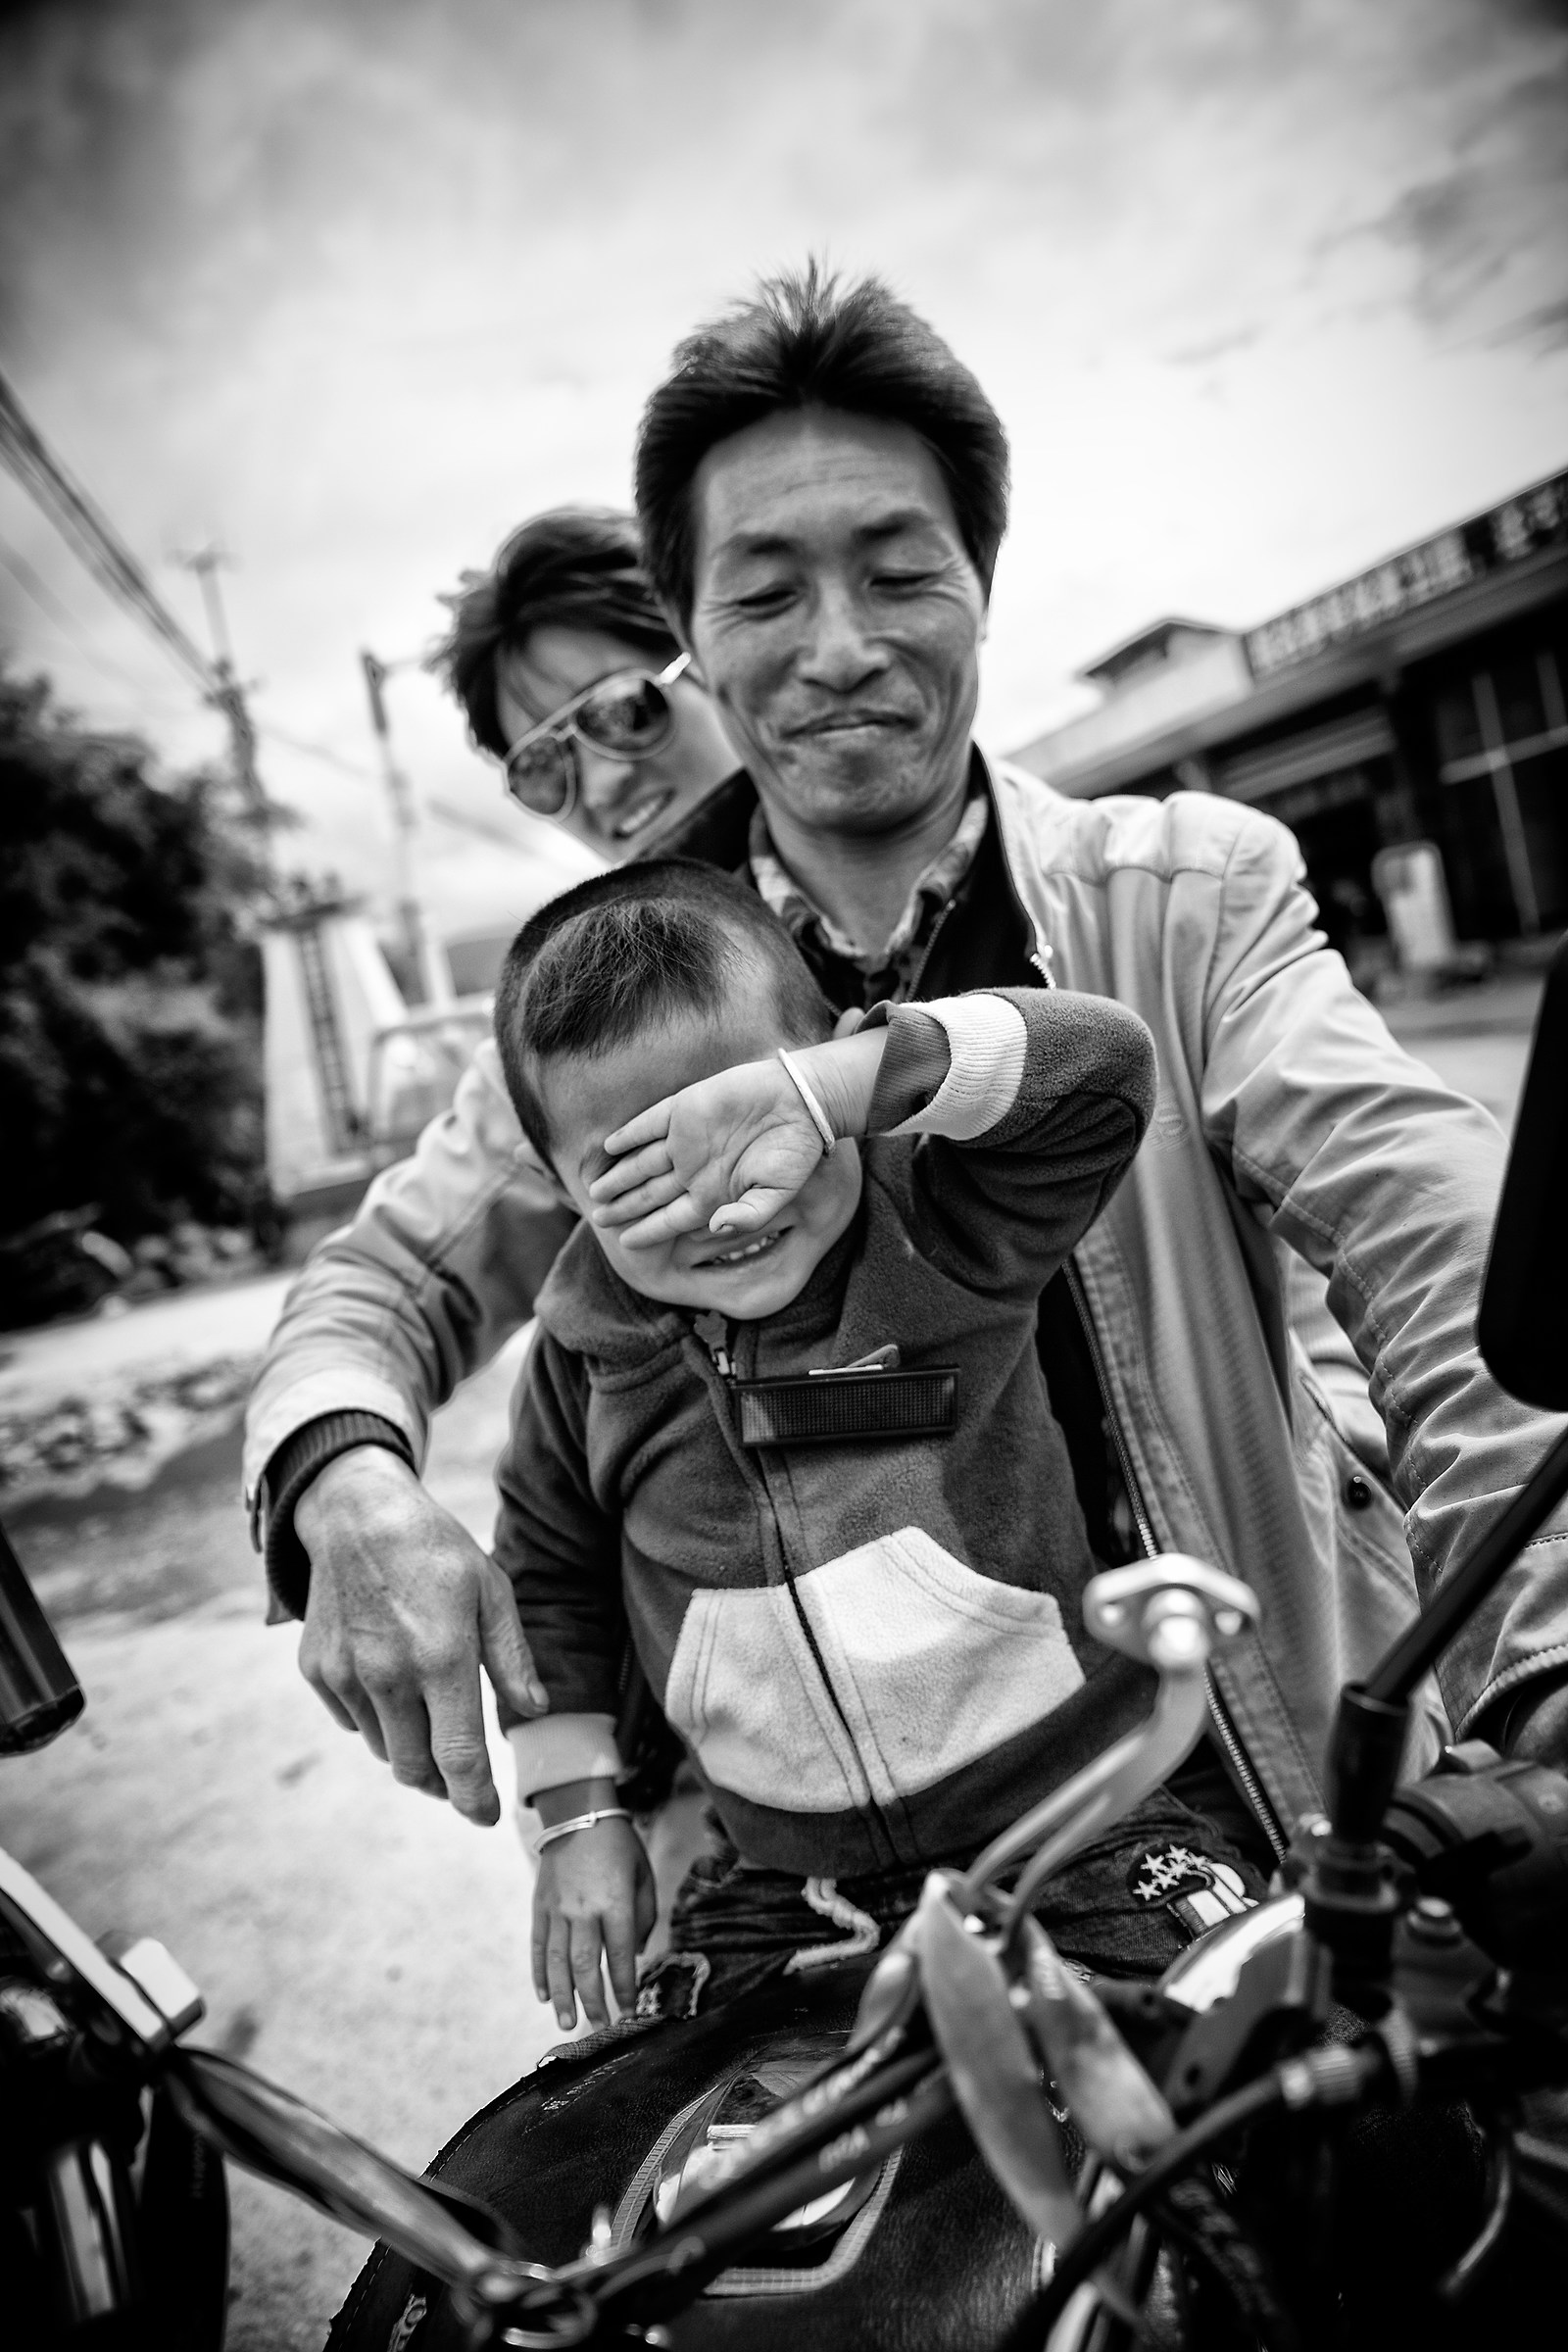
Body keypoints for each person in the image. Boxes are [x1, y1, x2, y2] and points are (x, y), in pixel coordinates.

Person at [245, 265, 1566, 1869]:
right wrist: (342, 1480)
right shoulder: (596, 1034)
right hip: (809, 1877)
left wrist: (1548, 1664)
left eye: (896, 570)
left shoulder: (1185, 894)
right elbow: (391, 1281)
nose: (842, 648)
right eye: (767, 594)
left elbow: (1432, 1230)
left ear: (982, 581)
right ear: (708, 630)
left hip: (1237, 1779)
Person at [484, 859, 1198, 2031]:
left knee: (1278, 2088)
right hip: (780, 1892)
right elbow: (547, 1583)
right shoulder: (580, 1361)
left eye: (748, 1121)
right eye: (633, 1171)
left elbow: (1104, 1066)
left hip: (1084, 1821)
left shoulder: (945, 1228)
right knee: (669, 2177)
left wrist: (845, 1084)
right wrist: (575, 1816)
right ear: (556, 1187)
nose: (721, 1206)